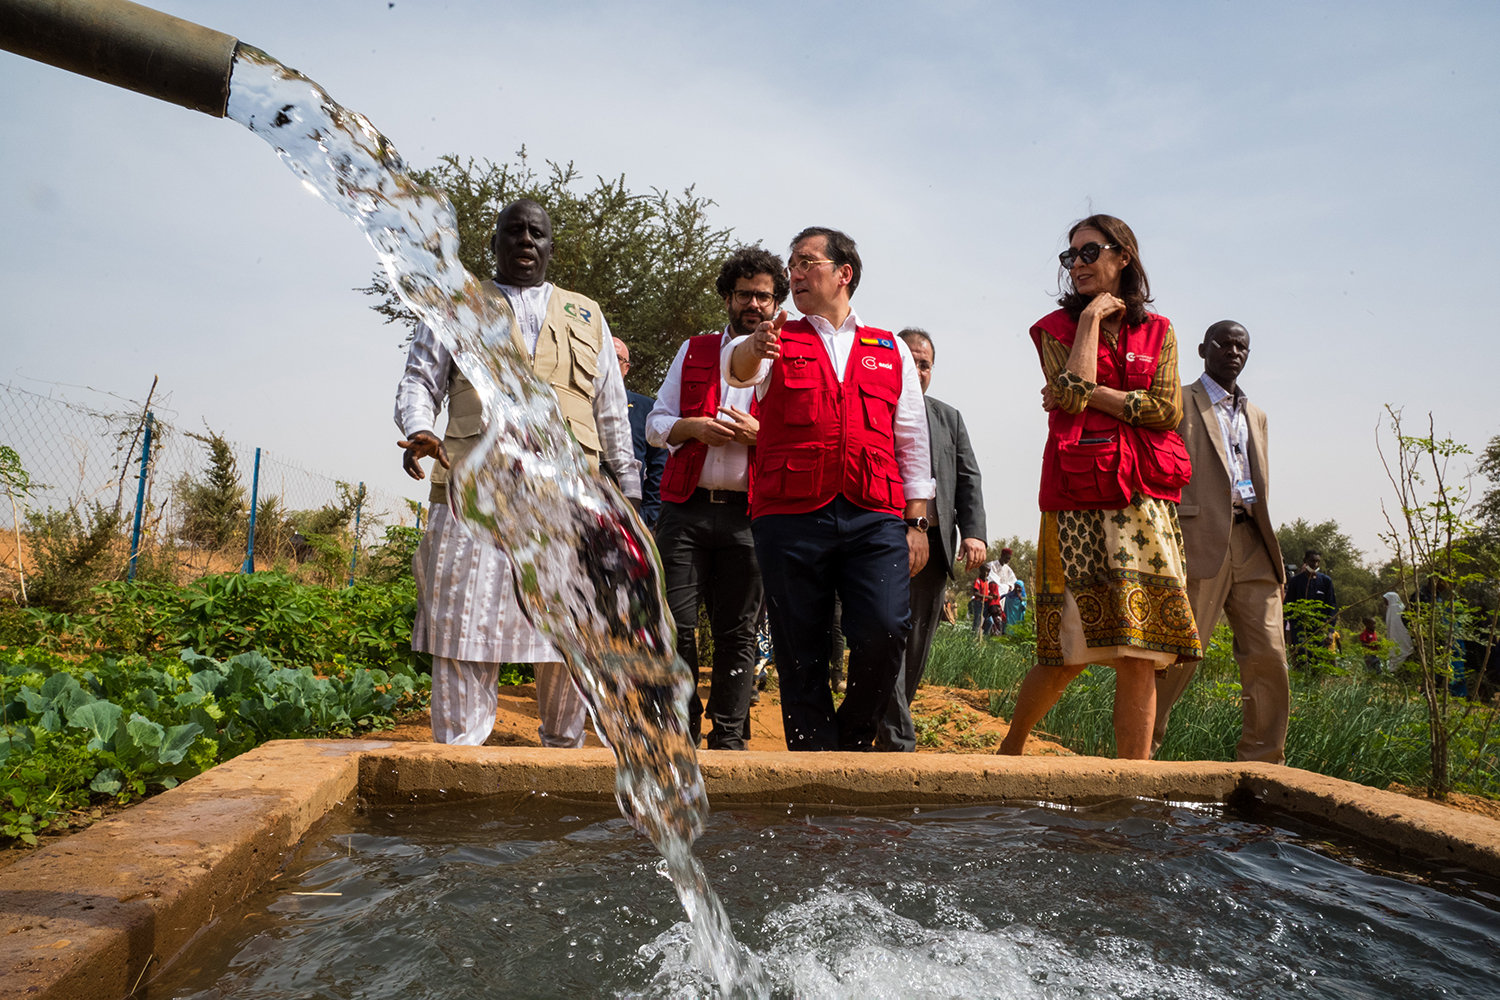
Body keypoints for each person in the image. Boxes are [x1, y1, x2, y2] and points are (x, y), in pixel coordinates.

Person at [395, 198, 641, 747]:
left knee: (570, 636)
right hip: (472, 497)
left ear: (551, 246)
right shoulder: (456, 304)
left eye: (537, 233)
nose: (526, 241)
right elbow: (418, 382)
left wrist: (628, 493)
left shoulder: (587, 315)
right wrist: (417, 428)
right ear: (496, 242)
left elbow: (610, 414)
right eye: (514, 231)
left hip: (568, 504)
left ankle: (563, 765)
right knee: (463, 628)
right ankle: (459, 767)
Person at [726, 226, 935, 751]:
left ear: (844, 273)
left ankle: (855, 738)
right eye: (791, 264)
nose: (794, 272)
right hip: (790, 515)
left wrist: (917, 521)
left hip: (875, 513)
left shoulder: (890, 349)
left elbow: (911, 440)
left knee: (887, 629)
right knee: (801, 647)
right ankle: (814, 761)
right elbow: (739, 370)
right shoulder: (776, 336)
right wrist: (755, 345)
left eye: (806, 261)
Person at [1001, 214, 1201, 760]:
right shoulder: (1053, 329)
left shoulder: (1160, 331)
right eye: (1070, 258)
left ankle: (1131, 784)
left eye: (1089, 252)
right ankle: (1009, 752)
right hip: (1076, 502)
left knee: (1142, 649)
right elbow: (1067, 397)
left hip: (1145, 503)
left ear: (1124, 257)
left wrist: (1091, 394)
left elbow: (1166, 410)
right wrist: (1088, 322)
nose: (1078, 265)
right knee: (1067, 651)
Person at [644, 247, 782, 749]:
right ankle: (681, 728)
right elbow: (656, 424)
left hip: (752, 515)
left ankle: (729, 736)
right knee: (676, 628)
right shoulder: (695, 349)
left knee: (737, 633)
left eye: (763, 296)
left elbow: (804, 438)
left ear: (775, 302)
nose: (754, 304)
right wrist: (692, 427)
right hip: (687, 508)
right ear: (727, 297)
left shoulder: (790, 358)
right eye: (744, 294)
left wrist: (757, 436)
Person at [1149, 320, 1290, 764]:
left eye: (1241, 345)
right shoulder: (1178, 399)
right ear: (1202, 349)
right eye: (1223, 343)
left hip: (1253, 542)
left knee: (1269, 655)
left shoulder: (1257, 415)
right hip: (1198, 540)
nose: (1233, 351)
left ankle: (1263, 763)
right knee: (1177, 657)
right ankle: (1139, 753)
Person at [878, 327, 988, 752]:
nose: (917, 369)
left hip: (935, 546)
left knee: (916, 648)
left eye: (925, 364)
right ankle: (898, 739)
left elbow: (968, 478)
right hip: (880, 539)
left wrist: (975, 532)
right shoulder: (871, 406)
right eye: (910, 360)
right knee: (884, 636)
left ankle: (887, 726)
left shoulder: (948, 417)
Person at [615, 338, 667, 530]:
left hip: (632, 512)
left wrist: (647, 514)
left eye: (616, 358)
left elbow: (659, 466)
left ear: (626, 367)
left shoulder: (647, 409)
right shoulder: (582, 404)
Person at [1285, 550, 1337, 667]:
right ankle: (1301, 684)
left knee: (1316, 659)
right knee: (1302, 655)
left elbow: (1332, 607)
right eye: (1312, 561)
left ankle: (1316, 684)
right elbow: (1288, 606)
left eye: (1317, 561)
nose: (1315, 564)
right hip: (1299, 627)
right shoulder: (1295, 581)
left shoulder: (1325, 581)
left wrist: (1330, 631)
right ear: (1305, 561)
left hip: (1319, 627)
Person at [1382, 591, 1414, 672]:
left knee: (1400, 649)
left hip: (1401, 636)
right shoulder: (1390, 609)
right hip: (1394, 636)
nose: (1384, 602)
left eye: (1385, 599)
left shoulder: (1398, 608)